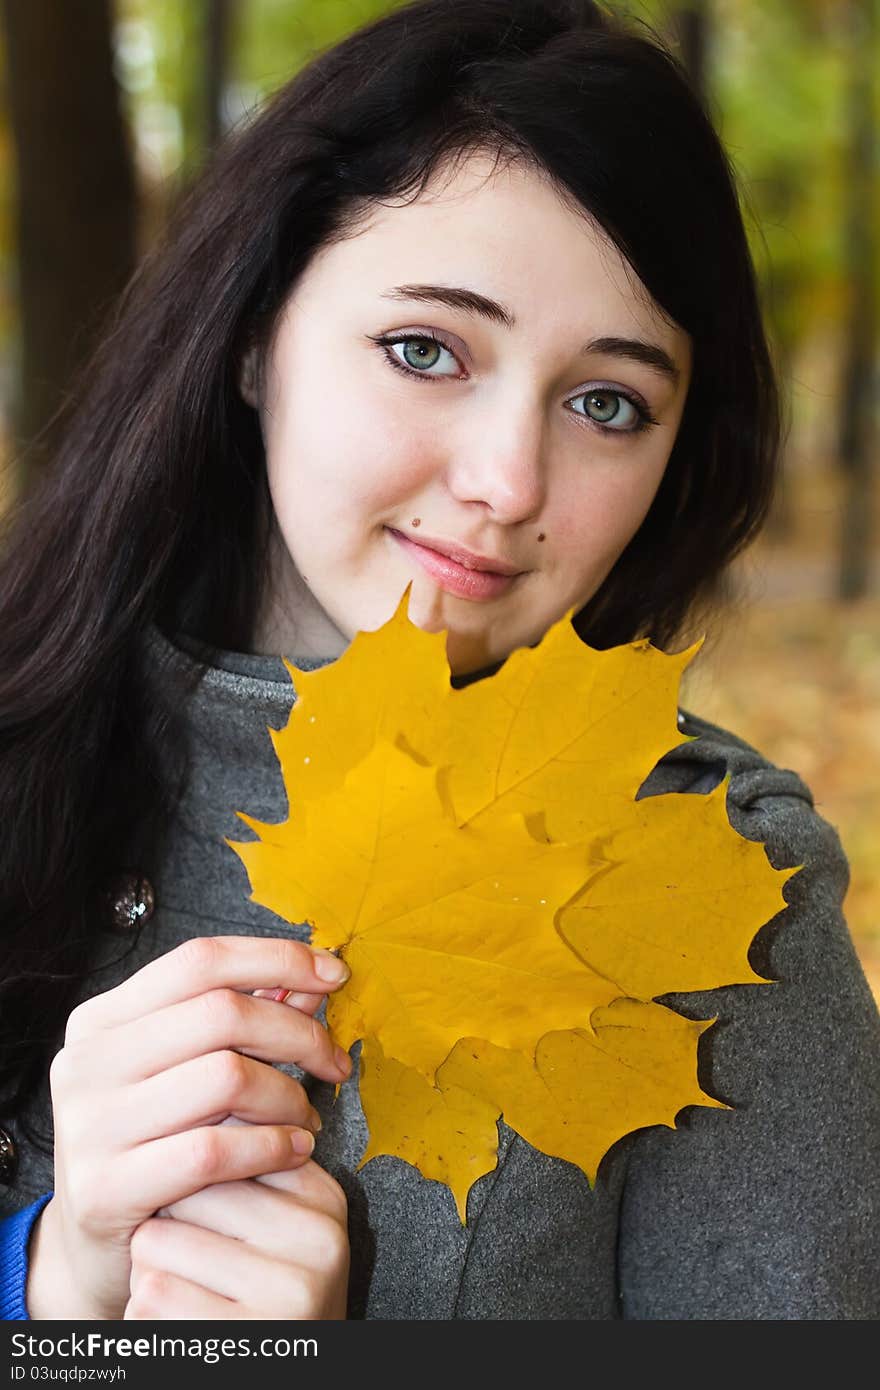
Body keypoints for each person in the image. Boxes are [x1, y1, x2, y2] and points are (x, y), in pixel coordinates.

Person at [1, 0, 877, 1323]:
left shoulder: (716, 877)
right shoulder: (26, 735)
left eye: (608, 402)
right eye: (427, 348)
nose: (507, 479)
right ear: (253, 333)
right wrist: (54, 1285)